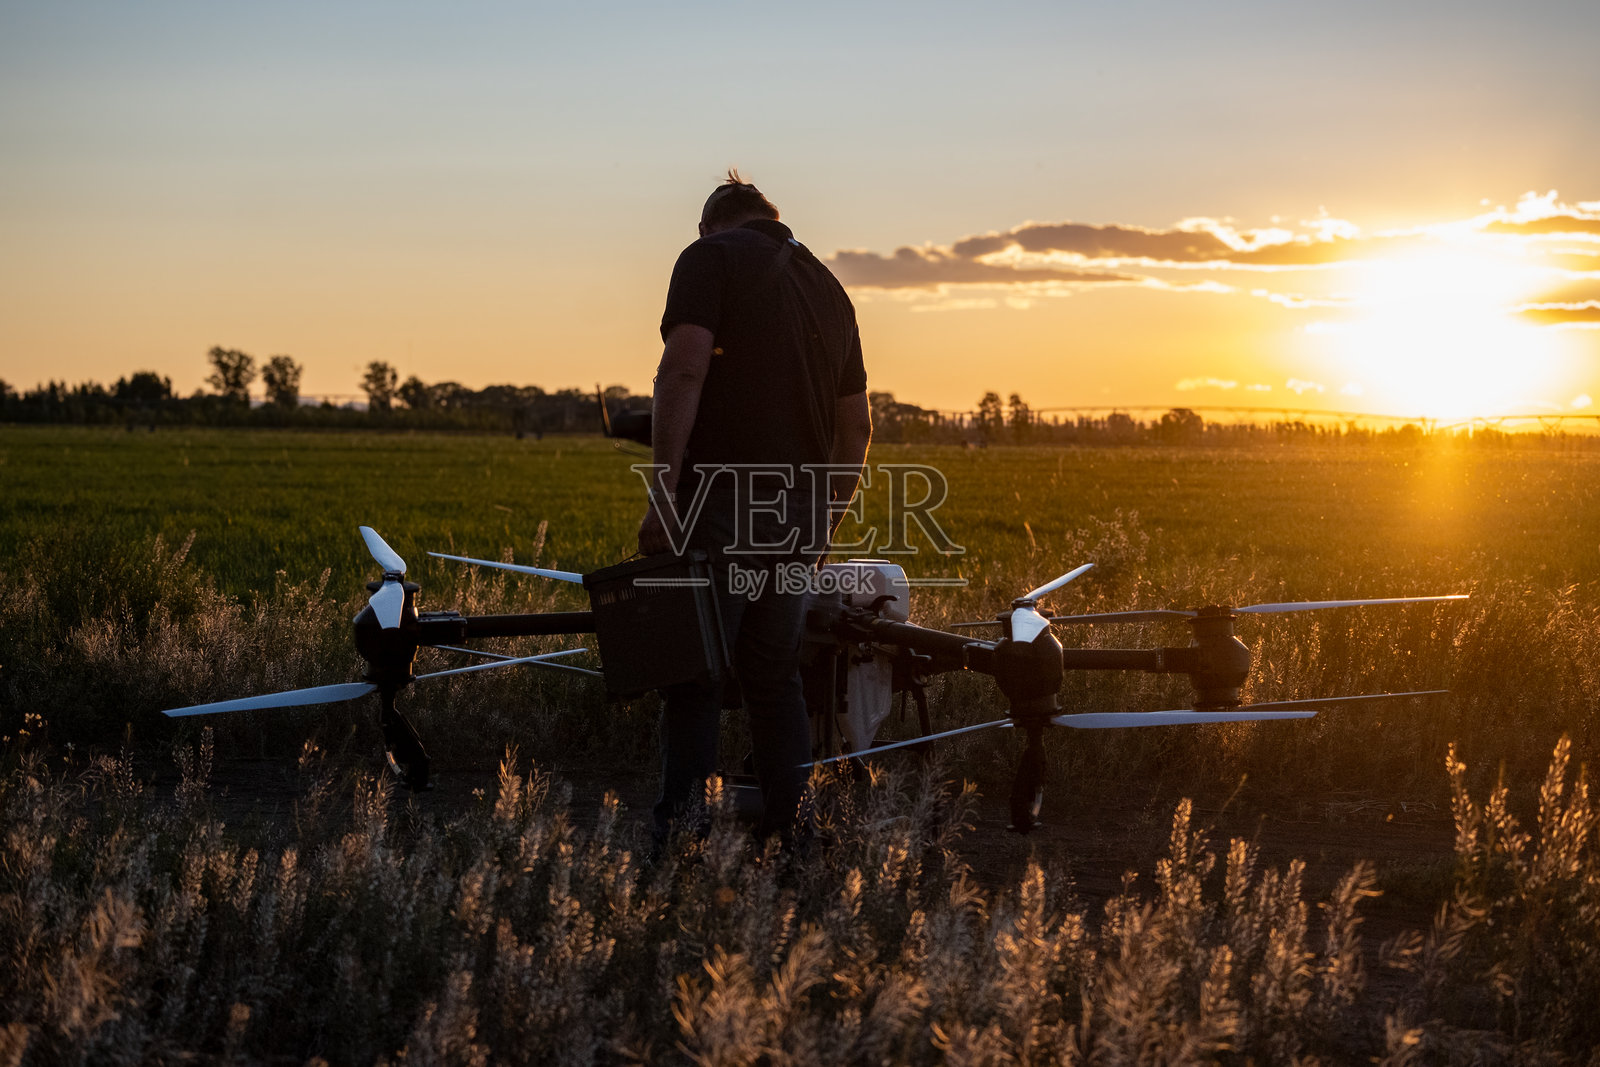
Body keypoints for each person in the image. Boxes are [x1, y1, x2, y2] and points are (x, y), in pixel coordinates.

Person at [639, 171, 872, 845]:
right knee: (775, 677)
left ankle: (681, 841)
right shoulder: (830, 287)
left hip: (722, 501)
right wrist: (823, 525)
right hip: (801, 509)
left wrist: (664, 495)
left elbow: (684, 369)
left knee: (695, 672)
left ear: (710, 224)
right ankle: (791, 836)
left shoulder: (707, 257)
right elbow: (856, 427)